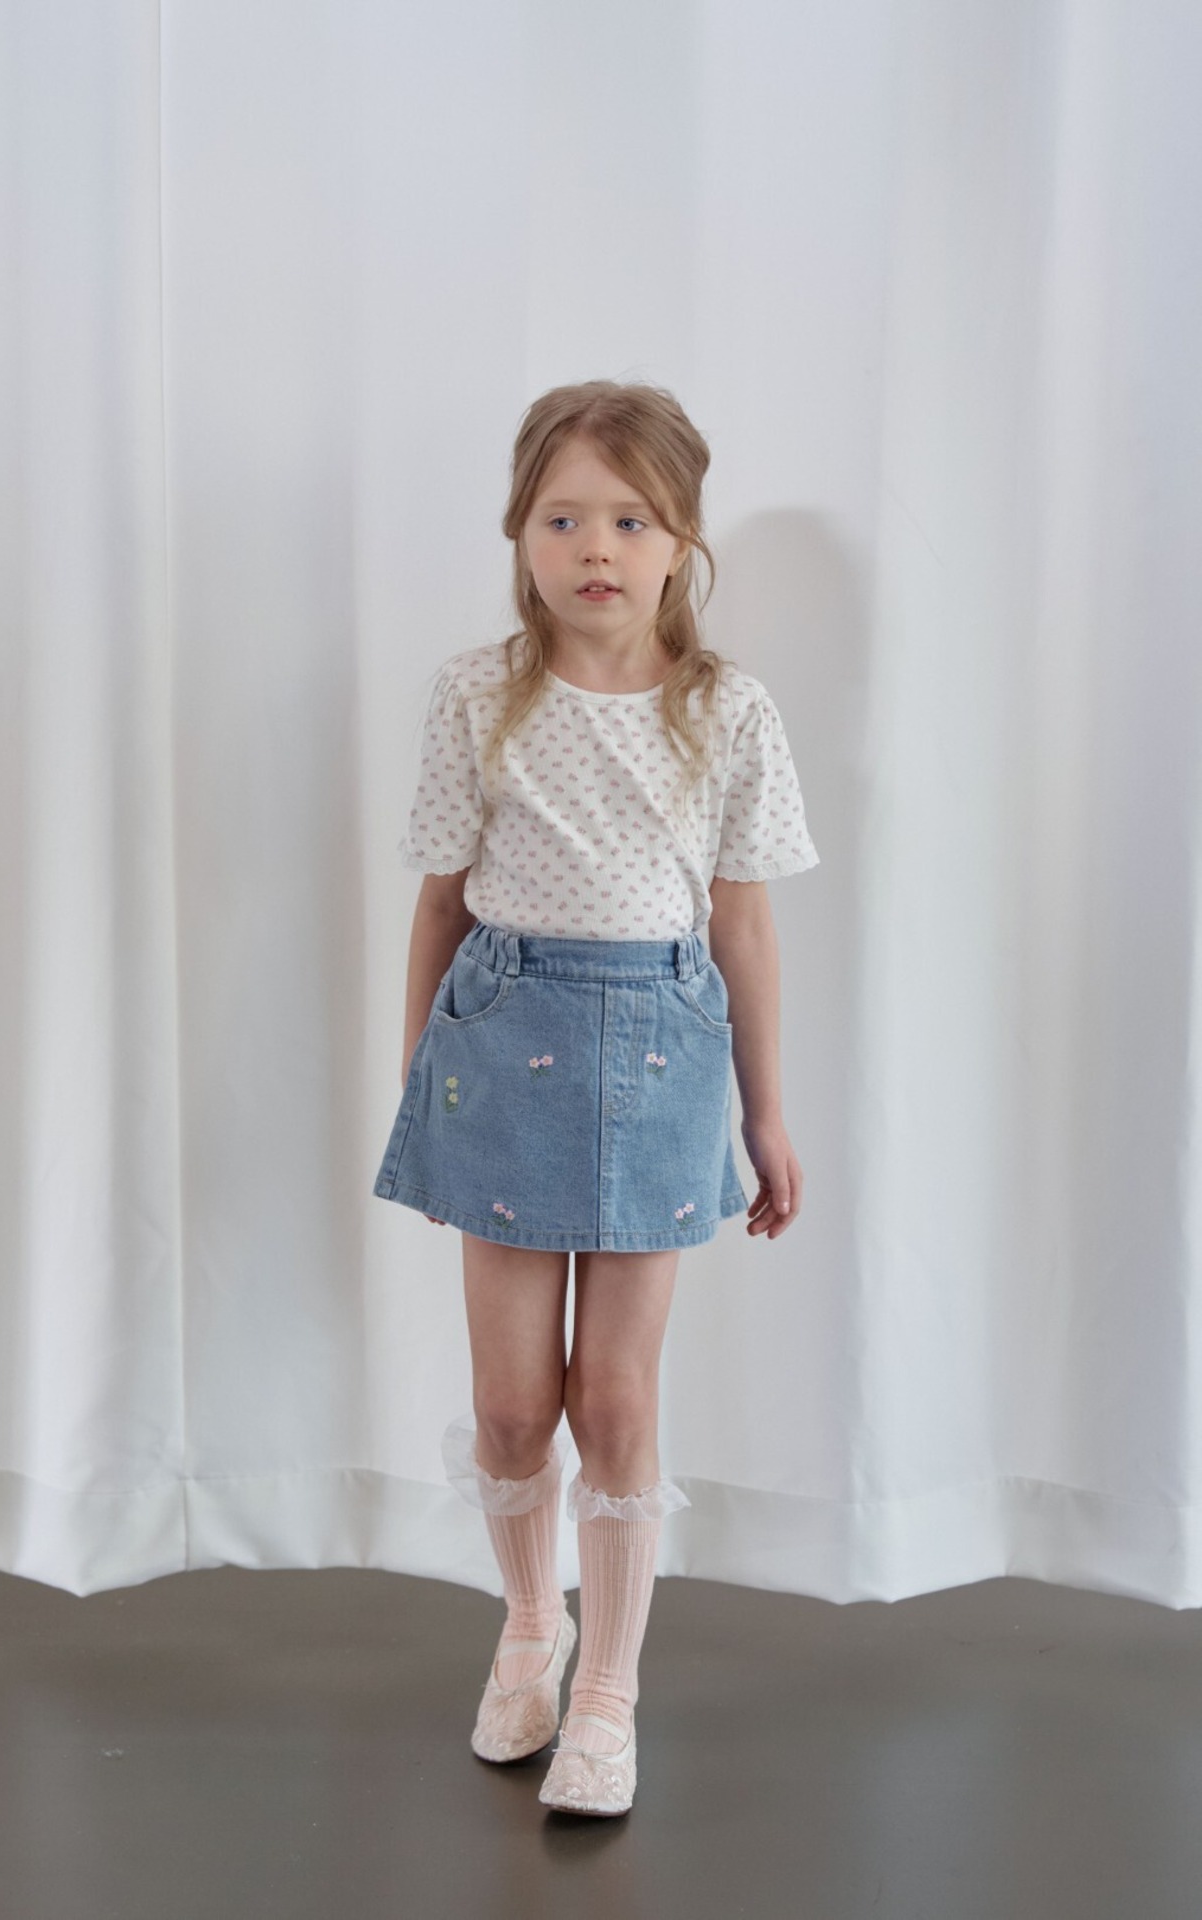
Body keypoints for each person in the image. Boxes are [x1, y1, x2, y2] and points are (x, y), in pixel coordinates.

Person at [372, 378, 819, 1817]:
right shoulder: (475, 694)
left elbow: (742, 919)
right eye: (563, 518)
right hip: (502, 1034)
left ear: (683, 539)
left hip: (666, 1052)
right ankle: (530, 1631)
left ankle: (611, 1694)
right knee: (513, 1407)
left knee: (614, 1399)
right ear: (521, 533)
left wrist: (766, 1111)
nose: (596, 549)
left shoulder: (726, 709)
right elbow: (440, 902)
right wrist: (423, 1078)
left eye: (631, 519)